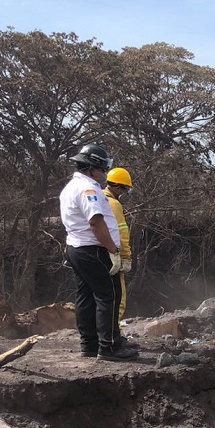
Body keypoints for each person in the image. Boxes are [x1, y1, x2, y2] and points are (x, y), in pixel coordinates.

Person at [60, 144, 138, 362]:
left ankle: (89, 345)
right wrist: (113, 250)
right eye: (103, 169)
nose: (104, 174)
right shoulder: (89, 189)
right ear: (92, 167)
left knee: (85, 296)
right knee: (109, 295)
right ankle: (110, 347)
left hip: (76, 247)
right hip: (93, 249)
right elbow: (95, 221)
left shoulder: (70, 187)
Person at [103, 167, 134, 320]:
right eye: (124, 189)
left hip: (95, 254)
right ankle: (115, 335)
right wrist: (126, 256)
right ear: (116, 186)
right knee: (118, 298)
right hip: (112, 255)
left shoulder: (97, 197)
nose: (125, 193)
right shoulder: (113, 204)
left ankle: (101, 335)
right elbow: (122, 232)